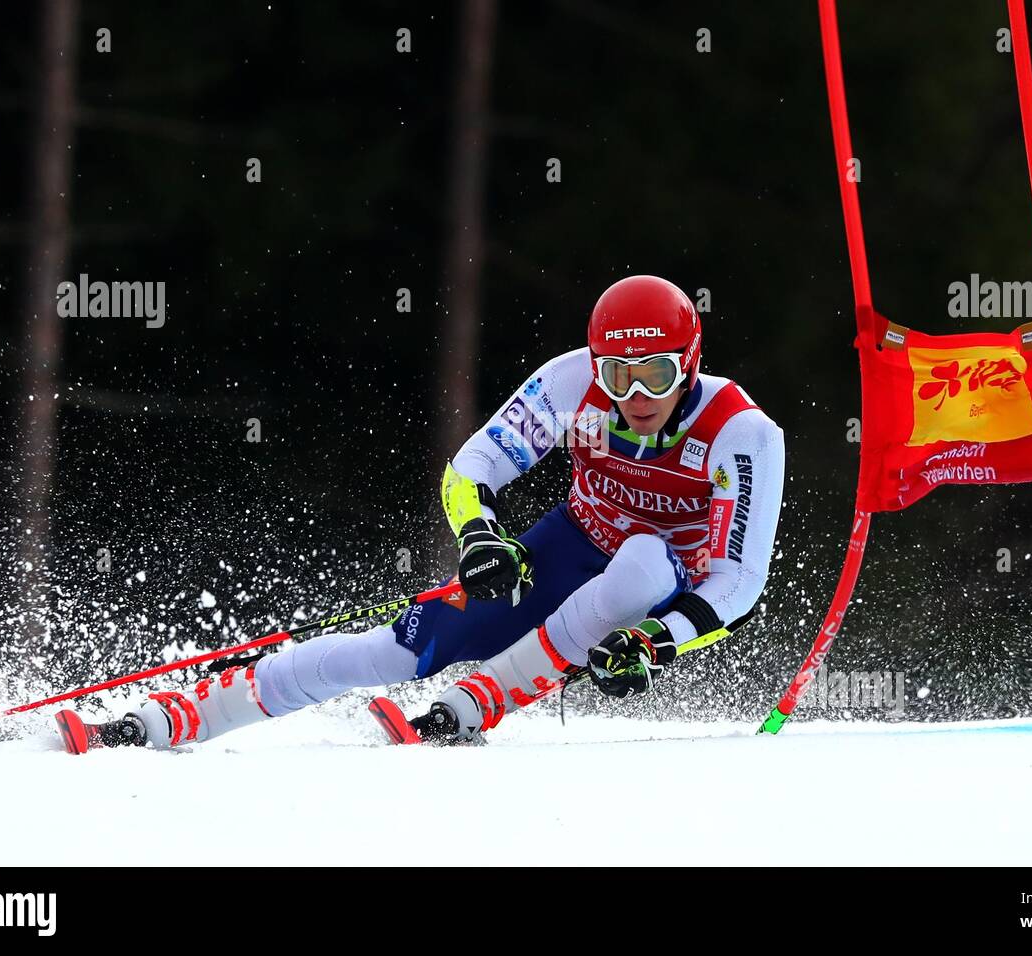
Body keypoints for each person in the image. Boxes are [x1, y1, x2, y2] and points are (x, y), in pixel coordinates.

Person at [63, 275, 785, 751]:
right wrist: (480, 537)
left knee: (640, 566)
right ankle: (184, 714)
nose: (634, 393)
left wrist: (658, 640)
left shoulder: (740, 433)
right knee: (398, 650)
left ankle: (489, 694)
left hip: (665, 580)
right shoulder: (569, 385)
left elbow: (737, 580)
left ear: (689, 362)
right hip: (572, 541)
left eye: (654, 372)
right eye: (615, 373)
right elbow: (472, 468)